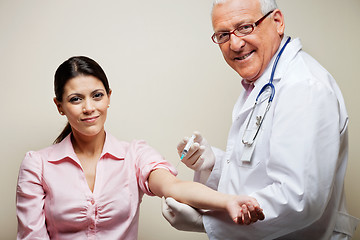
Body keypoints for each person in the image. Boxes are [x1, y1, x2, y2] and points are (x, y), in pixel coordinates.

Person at [161, 0, 359, 239]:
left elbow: (298, 199)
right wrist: (213, 164)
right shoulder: (263, 82)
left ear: (277, 22)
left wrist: (206, 222)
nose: (235, 43)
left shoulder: (303, 87)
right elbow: (259, 172)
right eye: (223, 34)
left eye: (245, 27)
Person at [15, 56, 265, 240]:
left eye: (97, 95)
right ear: (60, 106)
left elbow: (174, 187)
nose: (89, 107)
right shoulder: (37, 165)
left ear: (109, 97)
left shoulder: (135, 155)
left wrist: (228, 201)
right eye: (75, 99)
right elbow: (31, 237)